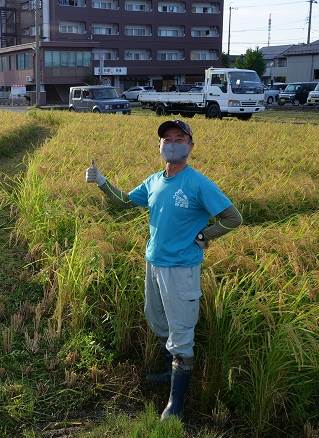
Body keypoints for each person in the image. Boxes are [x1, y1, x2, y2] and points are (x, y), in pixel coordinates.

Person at [84, 119, 243, 420]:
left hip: (181, 270)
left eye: (179, 138)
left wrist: (203, 236)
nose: (172, 143)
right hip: (153, 264)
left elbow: (233, 218)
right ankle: (170, 375)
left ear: (190, 146)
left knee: (181, 331)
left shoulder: (198, 183)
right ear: (160, 146)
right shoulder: (154, 181)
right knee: (157, 320)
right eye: (166, 139)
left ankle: (176, 406)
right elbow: (125, 202)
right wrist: (102, 182)